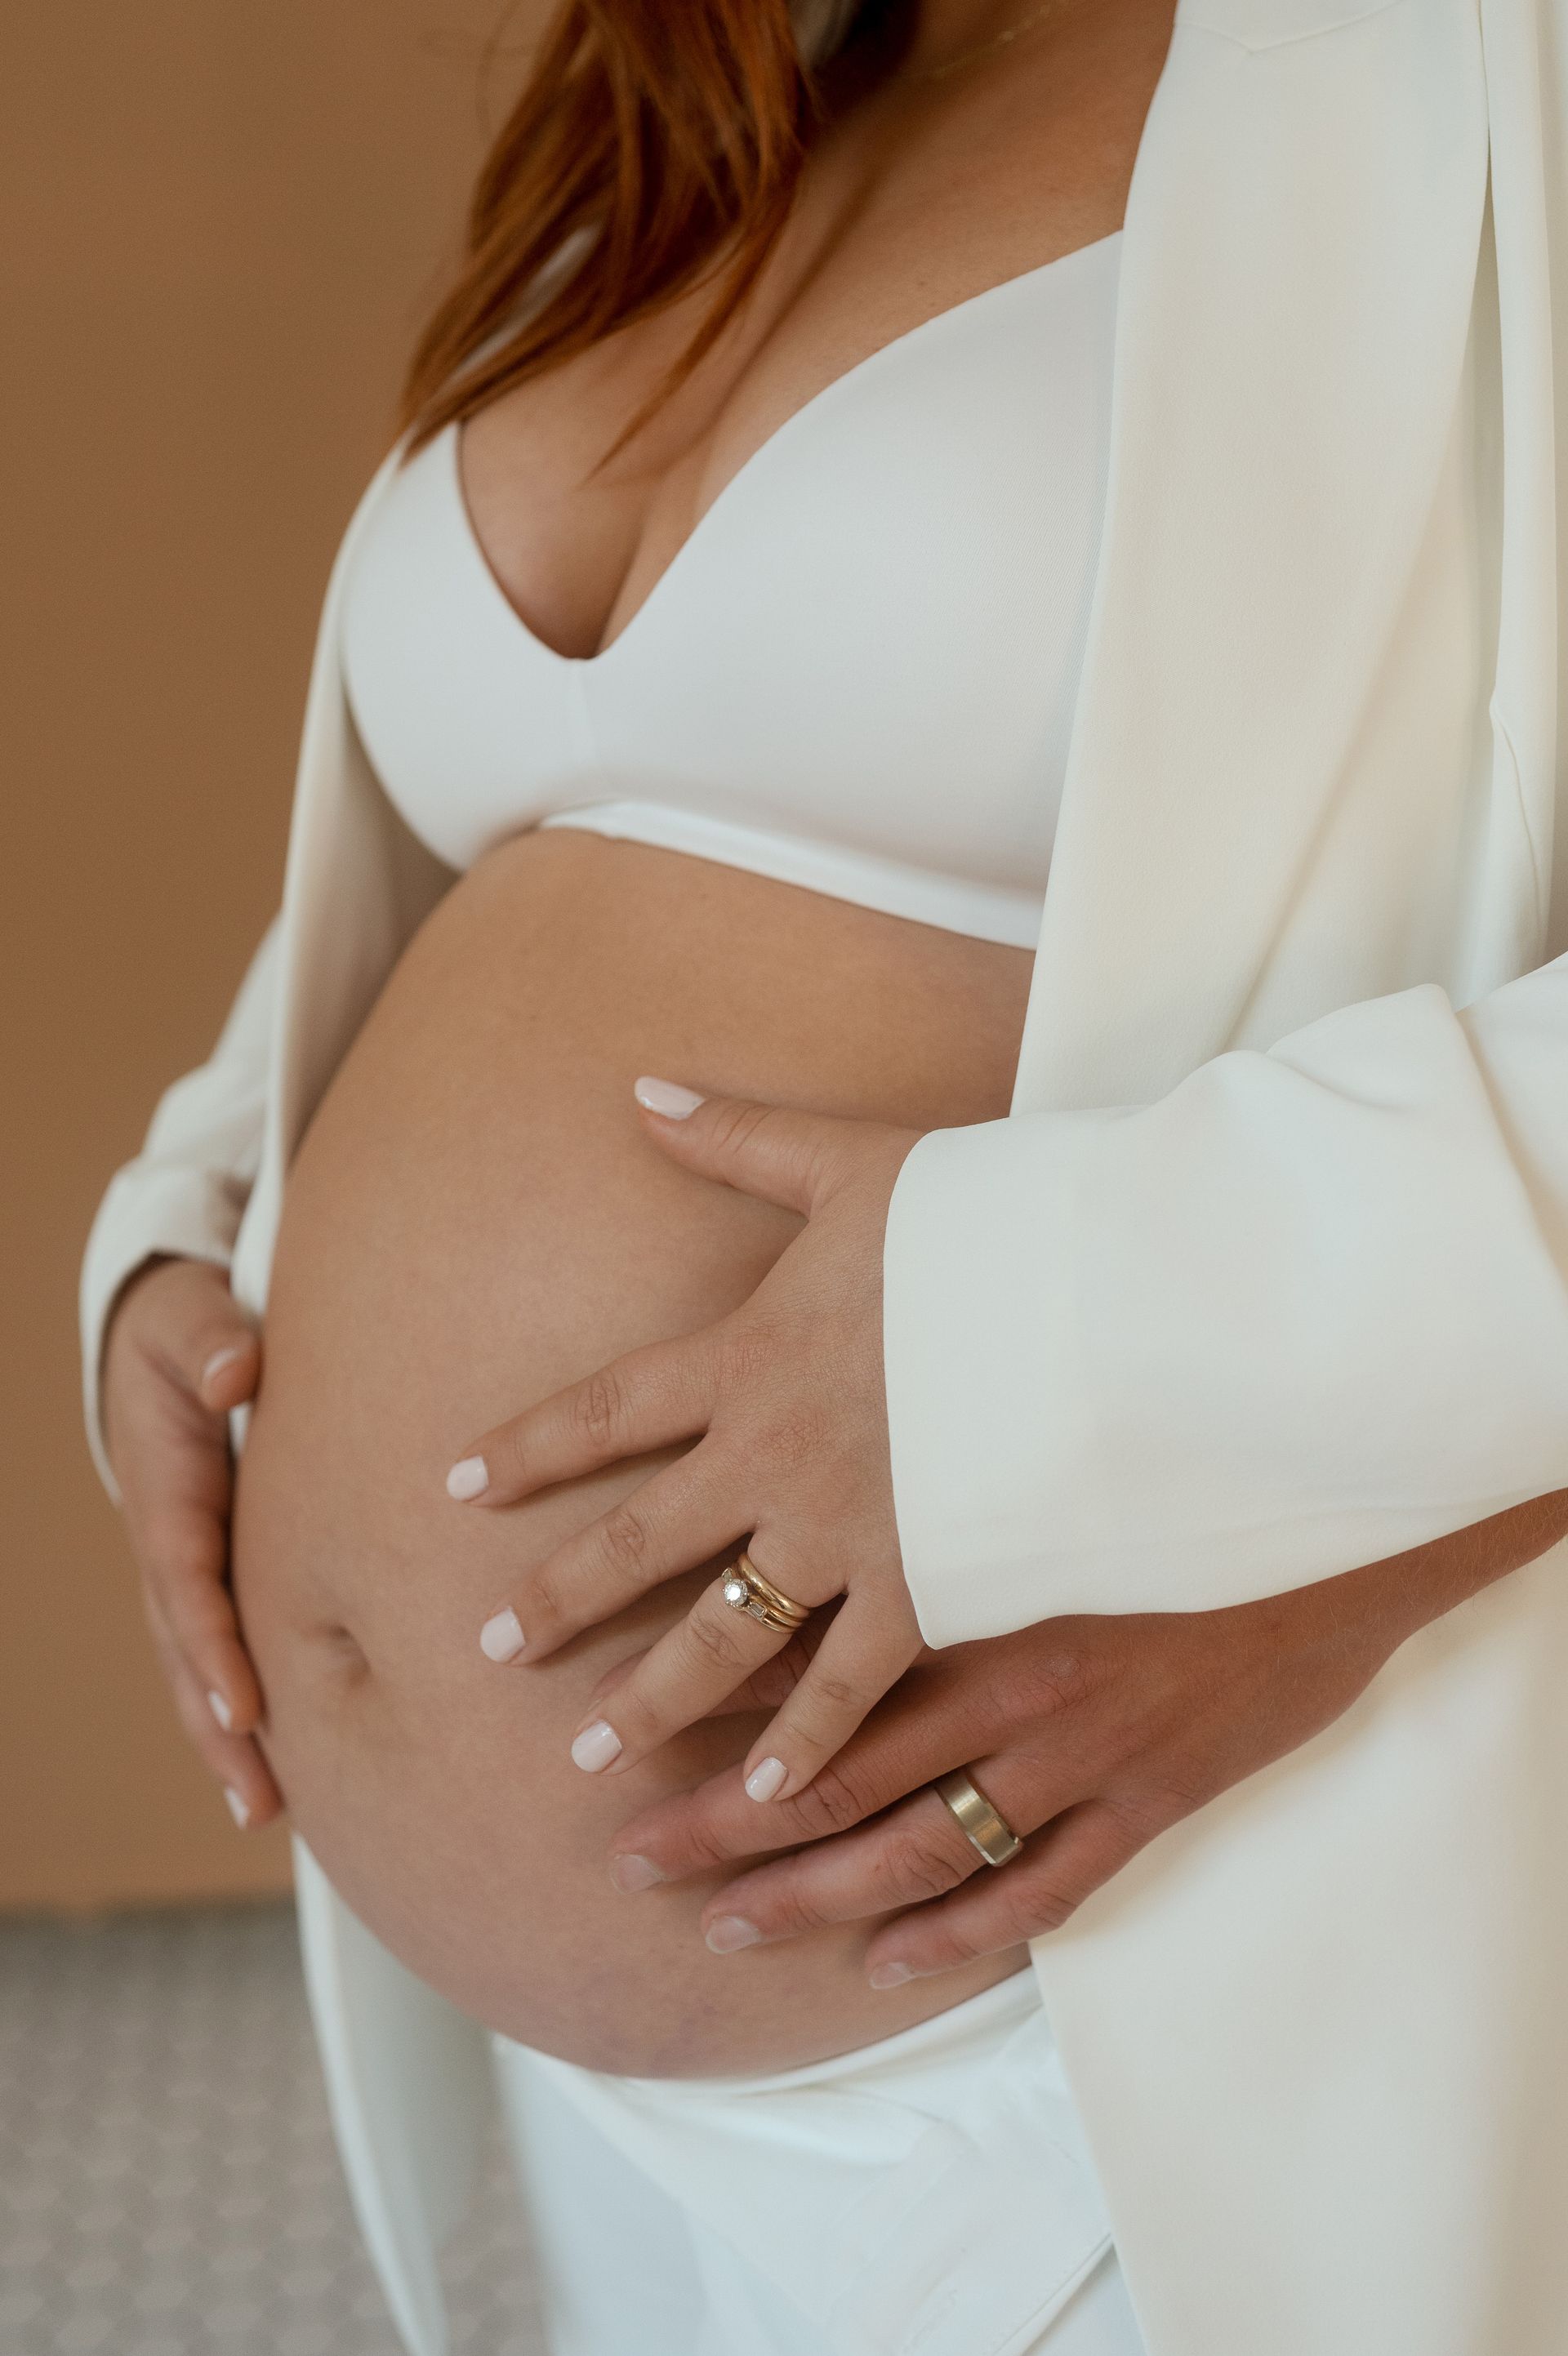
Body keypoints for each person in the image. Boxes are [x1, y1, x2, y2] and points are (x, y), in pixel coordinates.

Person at [78, 2, 1568, 2351]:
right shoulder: (716, 88)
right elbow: (540, 835)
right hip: (613, 2079)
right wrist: (198, 1228)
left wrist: (1299, 1563)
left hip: (1140, 1957)